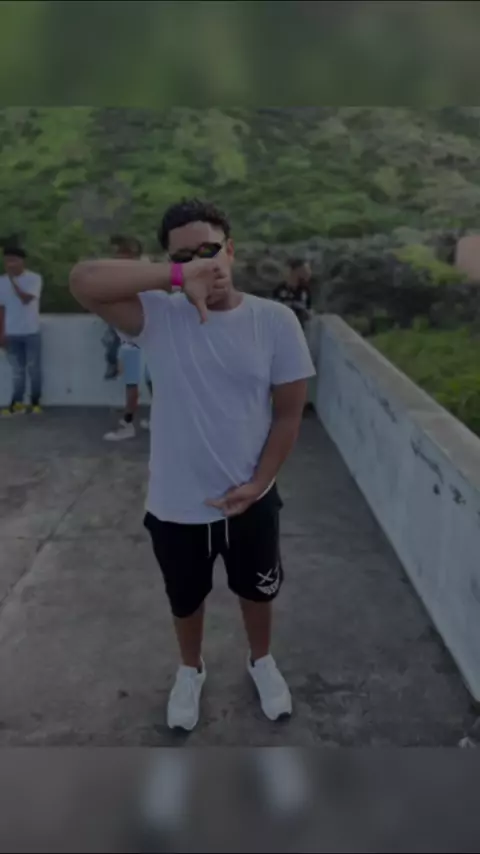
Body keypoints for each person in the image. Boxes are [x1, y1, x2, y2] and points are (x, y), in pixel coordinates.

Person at [70, 199, 315, 731]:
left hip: (252, 496)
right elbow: (83, 280)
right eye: (184, 257)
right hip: (177, 502)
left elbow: (289, 415)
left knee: (258, 590)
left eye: (210, 250)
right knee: (185, 599)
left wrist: (259, 483)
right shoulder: (159, 316)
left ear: (232, 249)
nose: (203, 264)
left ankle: (261, 661)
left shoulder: (274, 321)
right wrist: (179, 278)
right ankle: (191, 670)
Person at [103, 235, 152, 441]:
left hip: (137, 340)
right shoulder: (137, 277)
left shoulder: (141, 278)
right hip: (137, 339)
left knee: (135, 386)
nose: (117, 259)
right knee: (147, 383)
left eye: (121, 254)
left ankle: (128, 425)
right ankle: (155, 421)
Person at [0, 246, 43, 416]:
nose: (10, 264)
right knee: (17, 371)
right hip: (11, 333)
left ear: (22, 261)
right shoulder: (1, 281)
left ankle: (35, 402)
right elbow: (1, 308)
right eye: (7, 260)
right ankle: (16, 403)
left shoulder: (34, 278)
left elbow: (26, 299)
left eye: (13, 260)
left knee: (33, 369)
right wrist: (1, 332)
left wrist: (13, 280)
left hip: (31, 331)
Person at [273, 258, 313, 329]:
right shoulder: (279, 290)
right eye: (305, 271)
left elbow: (309, 311)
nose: (309, 274)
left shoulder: (306, 291)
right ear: (295, 271)